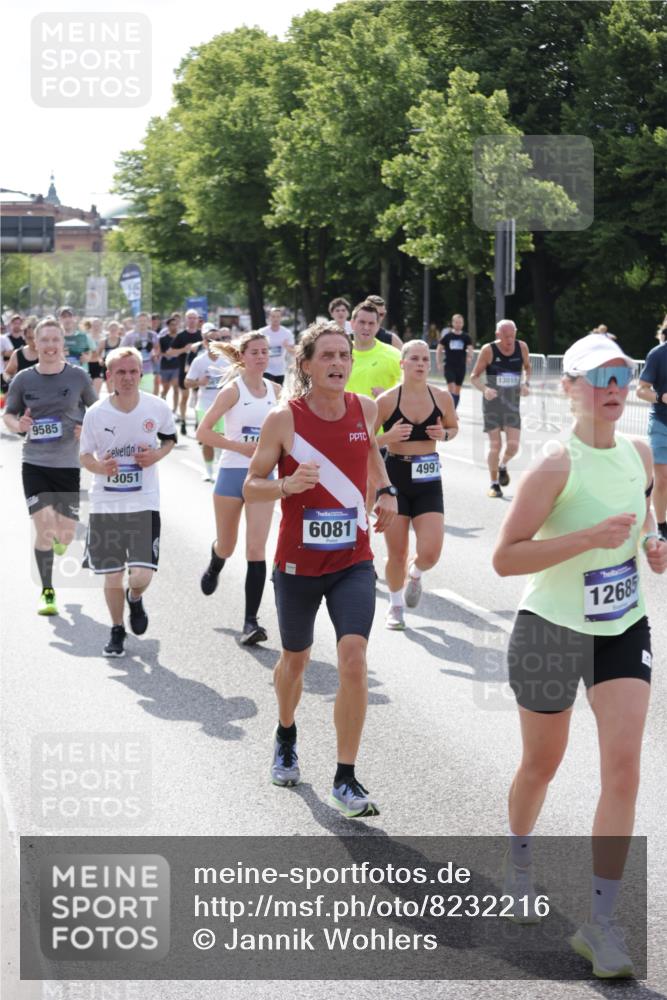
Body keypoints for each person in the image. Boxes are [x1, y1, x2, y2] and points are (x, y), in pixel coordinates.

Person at [492, 332, 666, 978]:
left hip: (621, 626)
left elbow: (645, 529)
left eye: (619, 377)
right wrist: (587, 538)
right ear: (566, 389)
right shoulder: (553, 464)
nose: (612, 389)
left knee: (622, 769)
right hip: (549, 628)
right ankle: (518, 867)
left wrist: (650, 549)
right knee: (541, 763)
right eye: (597, 379)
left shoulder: (641, 454)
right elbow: (505, 557)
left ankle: (601, 924)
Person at [243, 321, 398, 818]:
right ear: (306, 365)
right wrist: (286, 487)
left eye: (344, 355)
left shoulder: (364, 409)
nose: (337, 363)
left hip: (353, 557)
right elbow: (252, 485)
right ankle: (286, 731)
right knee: (296, 662)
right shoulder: (282, 420)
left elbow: (370, 454)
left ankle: (345, 778)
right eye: (327, 356)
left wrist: (387, 490)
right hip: (298, 563)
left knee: (353, 660)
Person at [79, 346, 176, 656]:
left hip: (144, 502)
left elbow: (170, 438)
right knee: (112, 574)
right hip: (106, 504)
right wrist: (100, 467)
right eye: (120, 372)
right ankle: (117, 629)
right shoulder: (96, 413)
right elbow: (84, 455)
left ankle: (135, 597)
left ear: (141, 374)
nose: (128, 377)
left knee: (141, 575)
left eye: (133, 371)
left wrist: (156, 455)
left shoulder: (157, 407)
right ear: (109, 376)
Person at [3, 317, 97, 615]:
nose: (50, 346)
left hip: (68, 464)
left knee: (65, 535)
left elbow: (97, 413)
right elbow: (8, 414)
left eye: (55, 340)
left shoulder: (79, 377)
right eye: (45, 340)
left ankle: (62, 539)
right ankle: (47, 591)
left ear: (62, 344)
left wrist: (87, 429)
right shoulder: (24, 379)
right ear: (36, 343)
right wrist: (19, 425)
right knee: (43, 529)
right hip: (35, 463)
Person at [197, 332, 279, 645]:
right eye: (255, 352)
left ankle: (250, 622)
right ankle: (216, 560)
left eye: (265, 352)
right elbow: (204, 432)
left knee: (256, 549)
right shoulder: (233, 391)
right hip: (232, 472)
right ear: (242, 356)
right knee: (229, 545)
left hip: (263, 478)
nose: (261, 357)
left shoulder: (276, 391)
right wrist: (239, 447)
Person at [375, 340, 458, 629]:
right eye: (414, 359)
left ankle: (417, 572)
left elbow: (454, 428)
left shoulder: (442, 398)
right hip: (395, 477)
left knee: (431, 552)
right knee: (396, 552)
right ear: (403, 363)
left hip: (428, 479)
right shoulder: (386, 400)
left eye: (425, 359)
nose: (421, 364)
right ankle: (395, 606)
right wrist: (390, 436)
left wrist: (443, 435)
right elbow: (365, 441)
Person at [470, 320, 531, 497]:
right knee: (495, 445)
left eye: (512, 335)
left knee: (513, 446)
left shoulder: (522, 348)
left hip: (512, 404)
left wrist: (526, 383)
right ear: (498, 335)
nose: (510, 340)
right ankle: (494, 484)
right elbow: (474, 377)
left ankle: (503, 465)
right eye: (506, 337)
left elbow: (528, 367)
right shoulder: (488, 350)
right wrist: (485, 389)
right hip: (493, 405)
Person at [184, 325, 231, 481]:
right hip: (204, 406)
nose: (214, 342)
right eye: (210, 340)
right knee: (207, 441)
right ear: (204, 342)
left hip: (225, 407)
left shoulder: (228, 360)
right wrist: (199, 382)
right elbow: (187, 382)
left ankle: (220, 469)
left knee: (223, 439)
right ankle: (209, 471)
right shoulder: (199, 361)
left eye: (218, 339)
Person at [637, 333, 667, 541]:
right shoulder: (658, 354)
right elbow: (641, 390)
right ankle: (662, 526)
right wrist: (660, 397)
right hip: (661, 424)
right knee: (663, 479)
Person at [345, 300, 401, 400]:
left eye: (371, 323)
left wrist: (389, 396)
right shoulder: (340, 354)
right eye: (362, 322)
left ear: (377, 327)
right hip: (343, 415)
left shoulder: (393, 355)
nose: (366, 327)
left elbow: (412, 389)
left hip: (378, 415)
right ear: (352, 323)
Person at [169, 309, 202, 435]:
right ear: (186, 320)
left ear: (198, 320)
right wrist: (184, 349)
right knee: (185, 396)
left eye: (194, 318)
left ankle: (198, 422)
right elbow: (170, 352)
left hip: (199, 371)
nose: (192, 320)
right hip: (185, 370)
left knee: (198, 397)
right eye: (190, 318)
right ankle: (183, 421)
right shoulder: (181, 336)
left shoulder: (201, 335)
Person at [435, 314, 474, 410]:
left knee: (457, 391)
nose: (458, 324)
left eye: (460, 322)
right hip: (449, 366)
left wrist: (469, 357)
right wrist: (439, 363)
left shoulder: (466, 337)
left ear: (463, 324)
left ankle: (453, 410)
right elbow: (439, 349)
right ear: (453, 323)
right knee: (451, 388)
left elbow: (470, 348)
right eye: (456, 322)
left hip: (461, 367)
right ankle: (449, 410)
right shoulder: (448, 336)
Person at [121, 312, 160, 393]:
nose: (142, 323)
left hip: (148, 370)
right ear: (136, 322)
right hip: (132, 370)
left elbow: (157, 348)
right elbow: (121, 350)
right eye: (140, 321)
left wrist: (155, 354)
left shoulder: (153, 335)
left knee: (147, 396)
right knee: (132, 395)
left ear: (148, 322)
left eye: (144, 321)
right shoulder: (129, 335)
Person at [259, 307, 295, 386]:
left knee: (278, 392)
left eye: (278, 316)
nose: (275, 319)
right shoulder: (262, 332)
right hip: (266, 368)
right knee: (268, 388)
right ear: (269, 317)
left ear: (281, 318)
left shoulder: (287, 333)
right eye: (273, 316)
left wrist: (286, 346)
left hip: (280, 369)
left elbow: (293, 352)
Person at [159, 314, 182, 415]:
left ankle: (175, 410)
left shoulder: (181, 338)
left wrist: (177, 353)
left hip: (177, 366)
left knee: (176, 388)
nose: (174, 327)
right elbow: (160, 352)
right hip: (165, 366)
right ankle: (162, 406)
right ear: (168, 326)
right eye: (172, 325)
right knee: (165, 389)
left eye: (176, 324)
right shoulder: (163, 339)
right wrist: (167, 354)